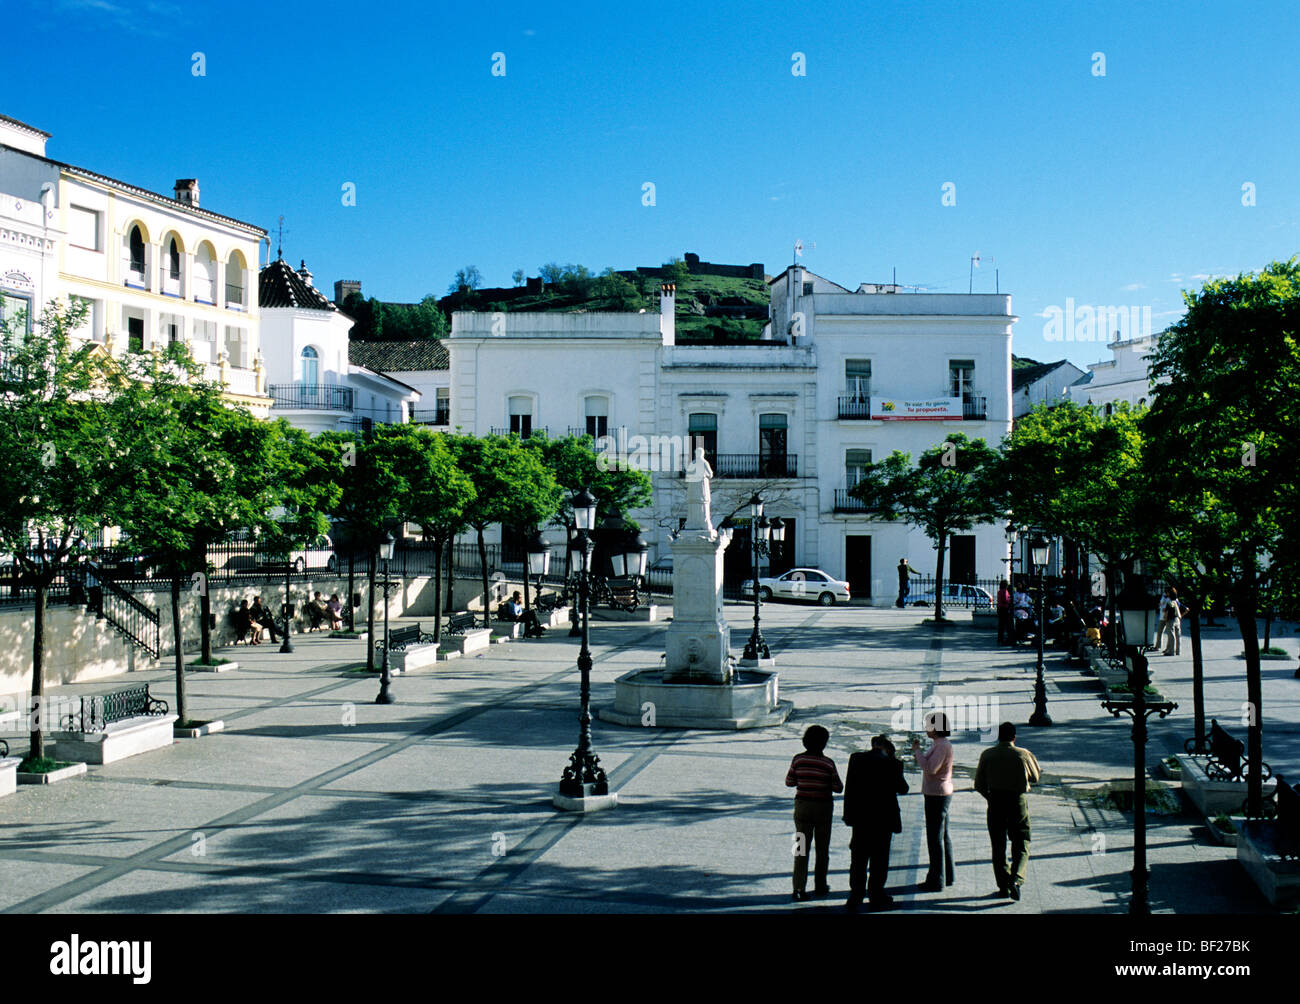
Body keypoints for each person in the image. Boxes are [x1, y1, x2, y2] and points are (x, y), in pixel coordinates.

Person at [974, 722, 1041, 900]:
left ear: (998, 737)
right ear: (1014, 737)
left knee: (998, 845)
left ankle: (1003, 884)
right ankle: (1017, 879)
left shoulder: (987, 754)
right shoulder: (1023, 754)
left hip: (995, 801)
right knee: (1021, 841)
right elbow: (1035, 777)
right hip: (1017, 803)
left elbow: (978, 785)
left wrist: (990, 797)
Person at [843, 735, 909, 912]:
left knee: (858, 859)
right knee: (879, 860)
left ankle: (855, 895)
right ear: (888, 749)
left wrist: (848, 816)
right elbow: (903, 789)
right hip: (883, 821)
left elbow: (849, 789)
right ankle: (876, 894)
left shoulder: (856, 759)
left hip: (861, 819)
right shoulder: (892, 764)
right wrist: (895, 762)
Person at [785, 724, 843, 901]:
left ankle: (798, 887)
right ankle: (820, 885)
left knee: (801, 848)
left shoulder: (798, 760)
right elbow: (838, 787)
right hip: (823, 808)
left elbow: (789, 782)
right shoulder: (827, 764)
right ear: (824, 744)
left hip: (802, 807)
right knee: (822, 848)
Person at [912, 711, 955, 892]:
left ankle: (936, 879)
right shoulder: (940, 744)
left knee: (935, 838)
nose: (925, 729)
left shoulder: (942, 746)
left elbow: (930, 768)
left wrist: (917, 752)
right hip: (939, 792)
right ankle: (947, 875)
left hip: (936, 795)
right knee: (942, 835)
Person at [1158, 587, 1182, 656]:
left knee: (1171, 635)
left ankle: (1171, 651)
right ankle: (1178, 651)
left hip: (1170, 619)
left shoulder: (1169, 600)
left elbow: (1166, 610)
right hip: (1177, 618)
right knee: (1178, 635)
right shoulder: (1176, 600)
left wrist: (1165, 617)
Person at [996, 579, 1012, 646]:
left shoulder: (999, 591)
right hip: (1004, 608)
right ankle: (1007, 638)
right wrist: (1010, 600)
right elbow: (1006, 599)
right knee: (1007, 624)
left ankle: (1000, 638)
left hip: (1000, 608)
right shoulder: (1005, 591)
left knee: (1001, 625)